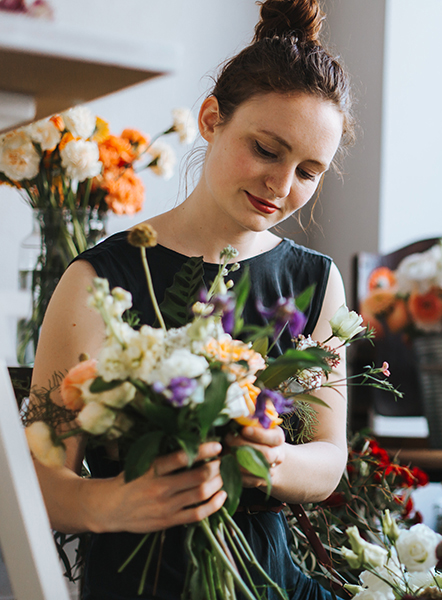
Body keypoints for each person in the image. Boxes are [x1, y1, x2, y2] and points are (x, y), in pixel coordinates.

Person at [30, 0, 355, 598]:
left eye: (309, 171)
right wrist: (113, 504)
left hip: (269, 582)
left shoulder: (315, 281)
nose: (281, 187)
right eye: (266, 149)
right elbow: (34, 480)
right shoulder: (98, 279)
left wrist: (275, 458)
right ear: (211, 119)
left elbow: (330, 460)